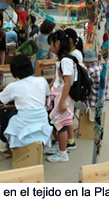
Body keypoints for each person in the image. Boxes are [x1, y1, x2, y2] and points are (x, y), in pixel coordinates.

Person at [0, 54, 52, 151]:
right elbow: (46, 95)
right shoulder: (42, 80)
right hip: (42, 122)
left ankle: (3, 143)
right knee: (18, 113)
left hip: (24, 124)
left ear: (13, 71)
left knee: (8, 113)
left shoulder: (13, 86)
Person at [46, 30, 76, 162]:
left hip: (62, 97)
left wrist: (63, 102)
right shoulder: (62, 59)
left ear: (57, 43)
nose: (50, 48)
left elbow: (68, 81)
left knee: (62, 125)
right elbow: (59, 77)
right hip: (57, 95)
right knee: (55, 123)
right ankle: (59, 146)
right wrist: (50, 86)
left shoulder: (66, 60)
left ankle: (63, 153)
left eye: (51, 45)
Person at [64, 28, 84, 150]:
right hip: (74, 87)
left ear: (69, 40)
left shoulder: (74, 54)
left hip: (74, 88)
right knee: (69, 116)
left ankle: (68, 140)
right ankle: (69, 139)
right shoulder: (75, 52)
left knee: (68, 116)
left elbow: (70, 77)